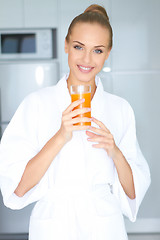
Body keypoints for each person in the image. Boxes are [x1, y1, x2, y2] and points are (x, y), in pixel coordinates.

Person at [0, 4, 151, 240]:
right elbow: (16, 189)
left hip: (104, 227)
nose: (87, 59)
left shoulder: (120, 109)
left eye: (98, 50)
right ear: (66, 45)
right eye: (79, 47)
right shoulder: (36, 104)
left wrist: (115, 151)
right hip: (53, 227)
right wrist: (61, 136)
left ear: (108, 53)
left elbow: (133, 193)